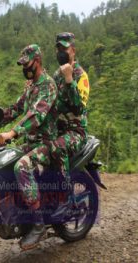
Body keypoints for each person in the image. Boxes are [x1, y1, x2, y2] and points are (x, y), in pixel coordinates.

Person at [0, 44, 58, 250]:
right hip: (31, 143)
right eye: (22, 65)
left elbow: (36, 115)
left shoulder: (48, 86)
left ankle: (39, 225)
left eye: (27, 64)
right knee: (5, 159)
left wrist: (12, 133)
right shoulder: (31, 86)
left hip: (47, 144)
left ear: (38, 61)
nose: (24, 68)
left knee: (21, 167)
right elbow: (14, 110)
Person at [51, 32, 90, 181]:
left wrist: (69, 79)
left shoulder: (81, 76)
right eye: (58, 49)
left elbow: (78, 108)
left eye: (65, 49)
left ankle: (63, 193)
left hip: (75, 131)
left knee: (57, 147)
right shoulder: (56, 75)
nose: (61, 53)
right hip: (57, 130)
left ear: (73, 50)